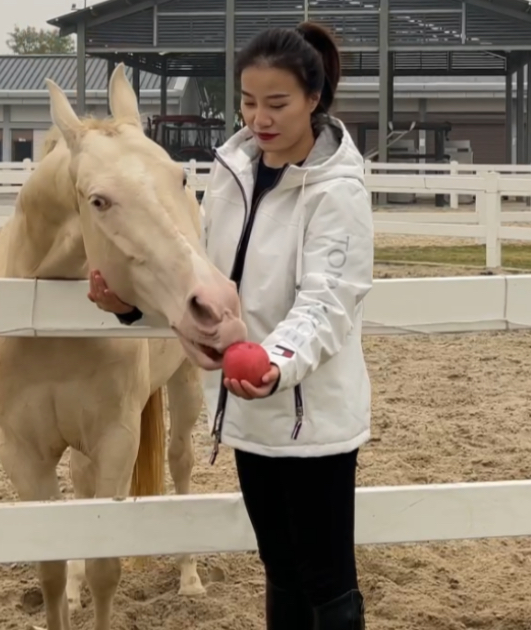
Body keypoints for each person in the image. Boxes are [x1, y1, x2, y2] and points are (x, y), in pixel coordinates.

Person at [88, 21, 374, 630]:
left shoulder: (337, 192)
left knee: (327, 580)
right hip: (248, 414)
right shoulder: (233, 174)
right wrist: (130, 306)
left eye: (277, 103)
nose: (260, 118)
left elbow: (330, 301)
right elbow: (201, 274)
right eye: (248, 102)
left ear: (313, 99)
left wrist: (274, 362)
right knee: (280, 567)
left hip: (309, 415)